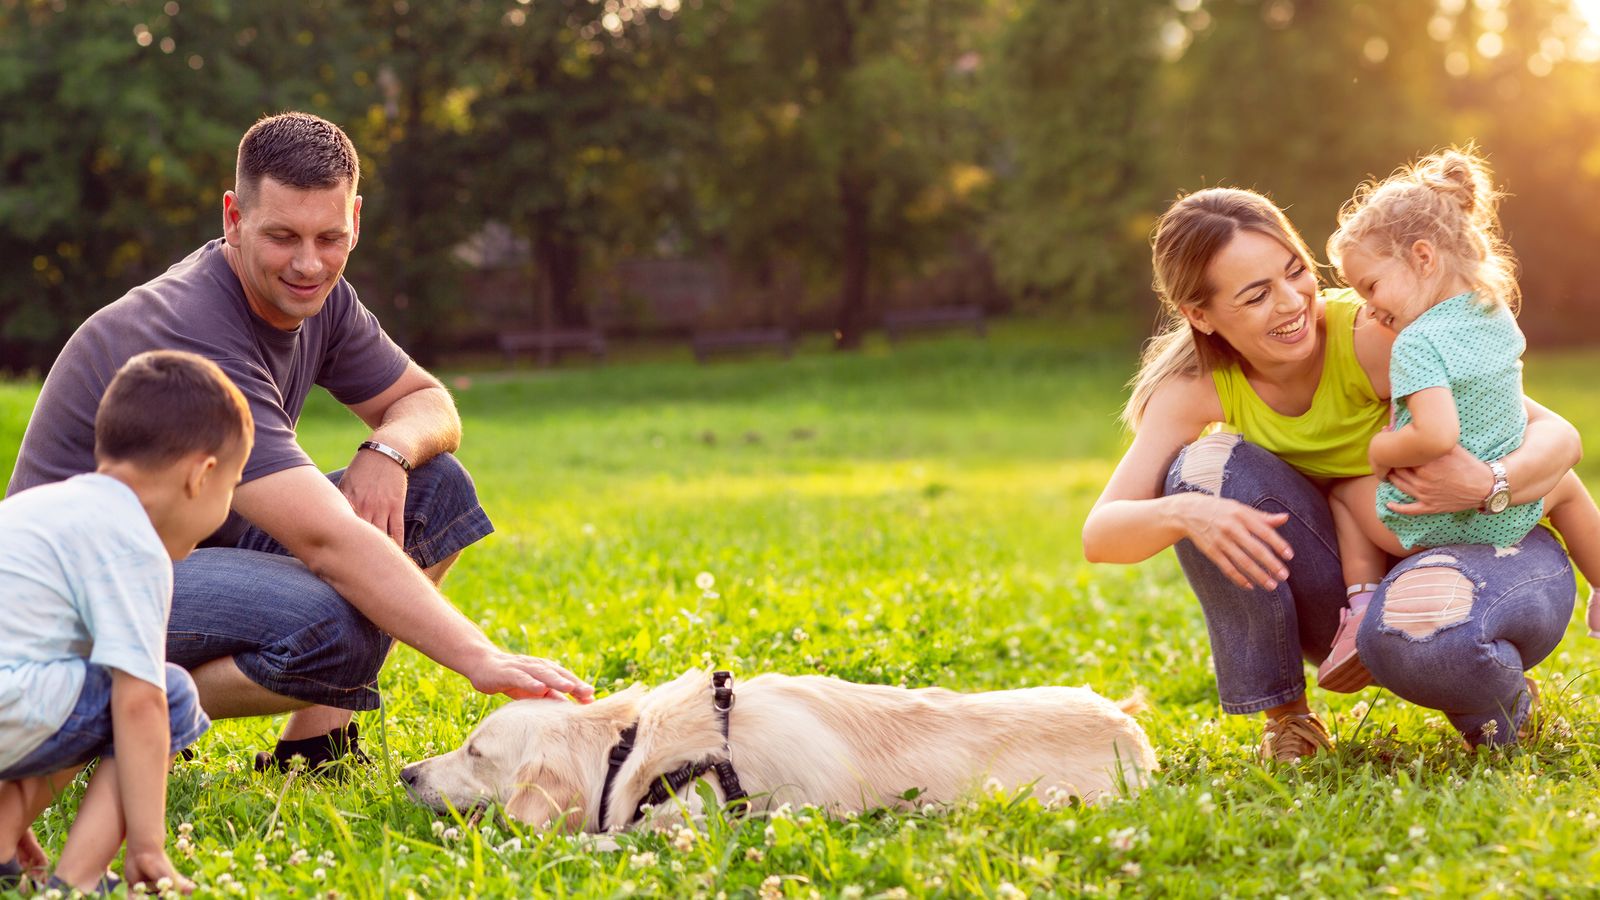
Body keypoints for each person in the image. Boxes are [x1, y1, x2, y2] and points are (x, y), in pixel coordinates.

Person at [7, 112, 592, 773]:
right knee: (327, 622)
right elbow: (326, 543)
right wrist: (480, 658)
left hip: (195, 538)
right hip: (80, 598)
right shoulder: (196, 324)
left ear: (356, 221)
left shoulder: (323, 296)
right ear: (233, 216)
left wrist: (390, 450)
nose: (309, 264)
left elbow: (427, 402)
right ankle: (126, 714)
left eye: (329, 237)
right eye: (282, 236)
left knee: (438, 490)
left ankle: (315, 747)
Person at [1082, 185, 1583, 761]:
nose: (1293, 302)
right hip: (1359, 588)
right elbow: (1101, 535)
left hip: (1495, 551)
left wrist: (1489, 482)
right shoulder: (1194, 389)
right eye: (1256, 296)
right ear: (1201, 314)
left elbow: (1560, 436)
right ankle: (1289, 723)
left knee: (1425, 618)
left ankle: (1500, 706)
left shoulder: (1382, 335)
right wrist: (1186, 512)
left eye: (1296, 271)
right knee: (1202, 474)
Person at [1317, 149, 1600, 691]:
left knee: (1342, 498)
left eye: (1371, 287)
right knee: (1564, 484)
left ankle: (1361, 607)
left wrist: (1383, 451)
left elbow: (1436, 435)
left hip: (1429, 523)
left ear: (1424, 257)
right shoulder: (1493, 310)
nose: (1369, 310)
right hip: (1511, 507)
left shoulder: (1418, 342)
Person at [0, 351, 251, 895]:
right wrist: (148, 845)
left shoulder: (45, 507)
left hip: (14, 702)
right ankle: (80, 879)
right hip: (11, 704)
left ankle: (3, 833)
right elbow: (140, 702)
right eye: (231, 488)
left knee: (86, 683)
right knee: (168, 693)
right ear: (201, 475)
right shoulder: (132, 541)